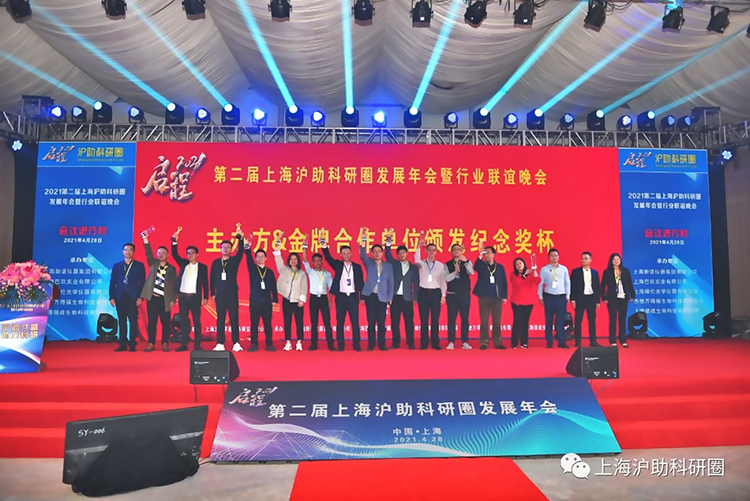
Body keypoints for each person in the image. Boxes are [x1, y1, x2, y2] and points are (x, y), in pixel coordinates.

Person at [323, 239, 364, 351]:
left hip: (353, 297)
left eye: (348, 253)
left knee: (355, 321)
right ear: (341, 255)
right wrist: (324, 246)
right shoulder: (338, 265)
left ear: (351, 253)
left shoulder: (357, 267)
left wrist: (362, 297)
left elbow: (361, 283)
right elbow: (328, 258)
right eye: (343, 253)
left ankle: (356, 344)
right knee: (340, 321)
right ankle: (341, 345)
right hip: (341, 297)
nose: (346, 255)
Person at [172, 231, 209, 352]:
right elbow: (174, 254)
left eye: (192, 253)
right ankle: (183, 345)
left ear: (197, 254)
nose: (190, 255)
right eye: (188, 253)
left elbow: (205, 283)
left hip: (195, 297)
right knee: (183, 321)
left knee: (197, 321)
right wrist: (174, 241)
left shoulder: (203, 267)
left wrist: (205, 297)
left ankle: (197, 345)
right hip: (183, 297)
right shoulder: (183, 263)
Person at [140, 232, 177, 352]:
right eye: (159, 253)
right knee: (152, 322)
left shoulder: (171, 269)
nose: (161, 255)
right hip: (152, 299)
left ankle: (165, 343)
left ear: (168, 255)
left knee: (166, 322)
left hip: (165, 300)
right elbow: (148, 252)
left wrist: (173, 299)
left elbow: (174, 285)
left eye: (163, 253)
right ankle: (151, 343)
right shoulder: (153, 263)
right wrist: (145, 239)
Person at [209, 232, 244, 352]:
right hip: (220, 294)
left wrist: (240, 239)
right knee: (220, 319)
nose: (225, 249)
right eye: (223, 247)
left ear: (231, 249)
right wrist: (212, 293)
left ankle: (236, 342)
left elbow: (240, 252)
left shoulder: (234, 261)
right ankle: (220, 343)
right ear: (220, 249)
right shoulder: (216, 263)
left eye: (228, 247)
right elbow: (212, 278)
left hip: (232, 293)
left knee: (234, 318)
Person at [359, 233, 395, 351]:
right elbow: (362, 255)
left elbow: (391, 283)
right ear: (372, 253)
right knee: (371, 321)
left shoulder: (388, 266)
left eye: (379, 251)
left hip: (382, 297)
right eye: (374, 251)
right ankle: (371, 344)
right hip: (370, 296)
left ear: (382, 253)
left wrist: (390, 297)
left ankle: (381, 344)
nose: (377, 253)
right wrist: (364, 239)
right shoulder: (369, 263)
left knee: (381, 322)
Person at [109, 243, 146, 352]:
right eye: (126, 250)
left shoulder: (139, 265)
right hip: (120, 297)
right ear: (123, 252)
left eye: (130, 250)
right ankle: (122, 344)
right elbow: (112, 283)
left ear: (133, 252)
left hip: (133, 298)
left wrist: (140, 297)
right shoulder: (117, 266)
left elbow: (142, 283)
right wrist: (111, 297)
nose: (128, 252)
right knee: (122, 321)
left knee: (133, 321)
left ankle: (132, 344)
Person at [384, 239, 419, 350]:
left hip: (407, 298)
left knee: (409, 322)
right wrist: (388, 243)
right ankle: (396, 342)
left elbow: (416, 283)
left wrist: (415, 297)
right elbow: (387, 255)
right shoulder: (394, 264)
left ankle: (410, 342)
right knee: (395, 321)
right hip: (395, 297)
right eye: (399, 253)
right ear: (397, 255)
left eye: (403, 252)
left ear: (407, 253)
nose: (402, 255)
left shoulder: (413, 268)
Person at [274, 240, 308, 351]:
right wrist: (278, 244)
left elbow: (304, 287)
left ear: (298, 261)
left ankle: (299, 342)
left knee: (299, 322)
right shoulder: (284, 270)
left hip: (297, 301)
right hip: (287, 299)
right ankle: (288, 342)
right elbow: (278, 259)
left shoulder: (302, 273)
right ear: (288, 261)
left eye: (295, 259)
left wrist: (302, 300)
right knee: (287, 321)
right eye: (291, 259)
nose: (293, 261)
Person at [473, 244, 508, 350]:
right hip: (484, 297)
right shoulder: (482, 265)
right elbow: (475, 267)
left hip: (496, 298)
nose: (486, 255)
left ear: (494, 255)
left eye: (488, 253)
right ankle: (484, 342)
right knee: (484, 321)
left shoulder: (500, 267)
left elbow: (504, 282)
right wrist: (480, 255)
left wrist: (504, 296)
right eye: (485, 253)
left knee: (497, 321)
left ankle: (497, 342)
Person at [414, 236, 447, 350]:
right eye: (429, 250)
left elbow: (442, 281)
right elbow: (416, 260)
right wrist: (419, 246)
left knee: (435, 319)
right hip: (423, 292)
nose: (432, 252)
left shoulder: (440, 265)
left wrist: (443, 295)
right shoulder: (422, 263)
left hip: (436, 293)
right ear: (426, 251)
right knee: (423, 319)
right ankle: (424, 343)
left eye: (434, 250)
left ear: (436, 252)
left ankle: (435, 343)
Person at [246, 238, 278, 352]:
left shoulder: (270, 272)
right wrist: (247, 247)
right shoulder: (252, 269)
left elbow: (273, 286)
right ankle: (254, 344)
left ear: (266, 258)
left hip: (267, 301)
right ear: (255, 259)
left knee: (267, 324)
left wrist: (275, 299)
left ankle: (269, 344)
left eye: (262, 256)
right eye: (258, 256)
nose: (260, 258)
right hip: (254, 301)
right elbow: (248, 258)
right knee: (254, 324)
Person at [303, 239, 334, 351]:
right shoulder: (310, 272)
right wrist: (305, 246)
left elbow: (331, 288)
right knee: (314, 322)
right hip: (313, 299)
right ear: (313, 262)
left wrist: (330, 301)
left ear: (322, 262)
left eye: (319, 260)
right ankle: (313, 344)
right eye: (315, 261)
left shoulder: (327, 274)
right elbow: (304, 260)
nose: (317, 262)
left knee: (327, 322)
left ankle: (330, 344)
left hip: (324, 299)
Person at [600, 253, 636, 348]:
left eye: (618, 259)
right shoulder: (607, 272)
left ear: (620, 261)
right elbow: (603, 285)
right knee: (612, 319)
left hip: (623, 297)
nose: (616, 261)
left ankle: (622, 340)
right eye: (614, 259)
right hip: (612, 298)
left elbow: (629, 284)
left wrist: (632, 294)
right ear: (611, 261)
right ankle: (612, 340)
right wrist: (604, 297)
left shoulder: (625, 271)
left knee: (622, 319)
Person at [538, 248, 571, 349]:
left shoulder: (563, 269)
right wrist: (540, 296)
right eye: (552, 256)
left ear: (558, 257)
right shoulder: (544, 269)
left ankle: (561, 341)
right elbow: (540, 284)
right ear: (548, 257)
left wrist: (568, 295)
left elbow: (567, 282)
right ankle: (549, 341)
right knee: (549, 319)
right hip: (549, 297)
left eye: (556, 255)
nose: (554, 257)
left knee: (560, 320)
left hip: (561, 297)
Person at [444, 243, 475, 350]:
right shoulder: (447, 264)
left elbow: (471, 272)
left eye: (458, 249)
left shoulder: (467, 262)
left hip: (464, 295)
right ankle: (451, 341)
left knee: (465, 318)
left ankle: (465, 341)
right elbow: (446, 278)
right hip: (452, 295)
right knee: (451, 319)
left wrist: (466, 262)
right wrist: (455, 272)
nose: (456, 251)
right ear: (451, 252)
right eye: (454, 249)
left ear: (461, 251)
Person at [570, 251, 602, 348]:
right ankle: (577, 341)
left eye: (586, 258)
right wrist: (573, 299)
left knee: (592, 320)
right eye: (582, 258)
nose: (583, 260)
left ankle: (593, 341)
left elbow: (597, 287)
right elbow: (572, 286)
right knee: (578, 320)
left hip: (591, 298)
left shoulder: (595, 273)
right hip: (580, 298)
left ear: (590, 260)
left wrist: (597, 301)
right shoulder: (576, 272)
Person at [509, 257, 540, 349]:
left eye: (520, 263)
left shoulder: (530, 273)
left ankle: (524, 342)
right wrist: (525, 274)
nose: (519, 266)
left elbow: (537, 281)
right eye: (517, 264)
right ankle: (514, 342)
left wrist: (534, 272)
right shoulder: (513, 274)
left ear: (524, 264)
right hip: (517, 301)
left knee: (525, 322)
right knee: (517, 321)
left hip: (528, 301)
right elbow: (518, 283)